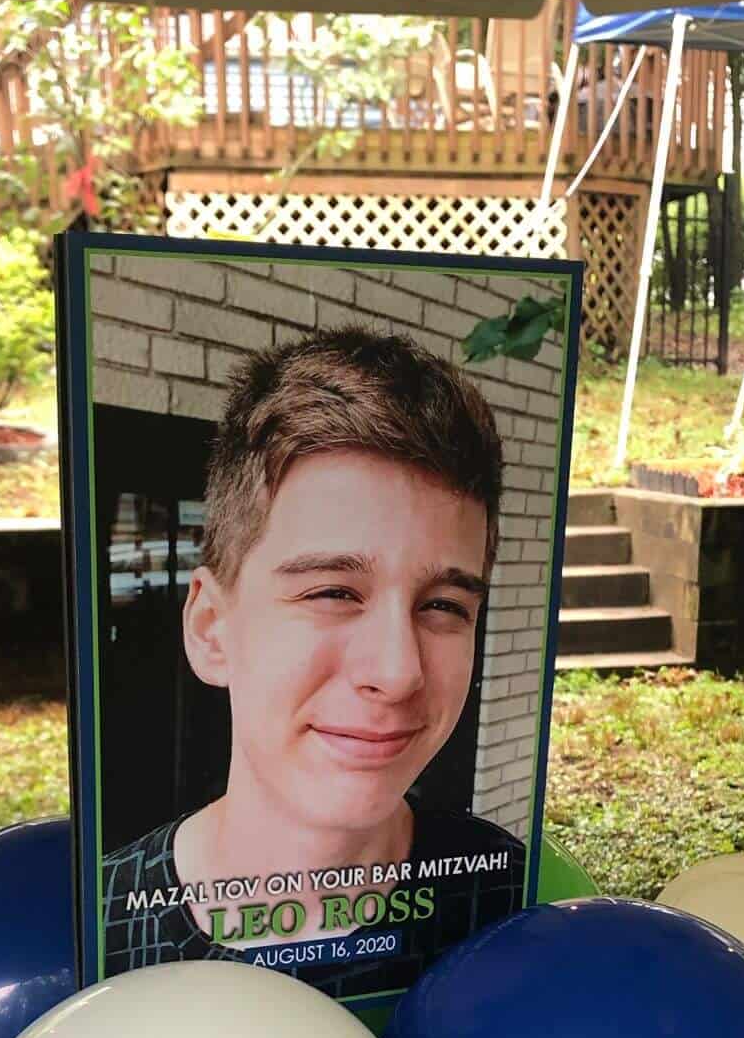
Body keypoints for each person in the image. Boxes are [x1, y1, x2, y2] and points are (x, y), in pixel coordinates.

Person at [101, 325, 527, 997]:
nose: (398, 672)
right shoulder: (98, 935)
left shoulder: (514, 903)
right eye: (332, 592)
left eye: (443, 605)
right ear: (212, 629)